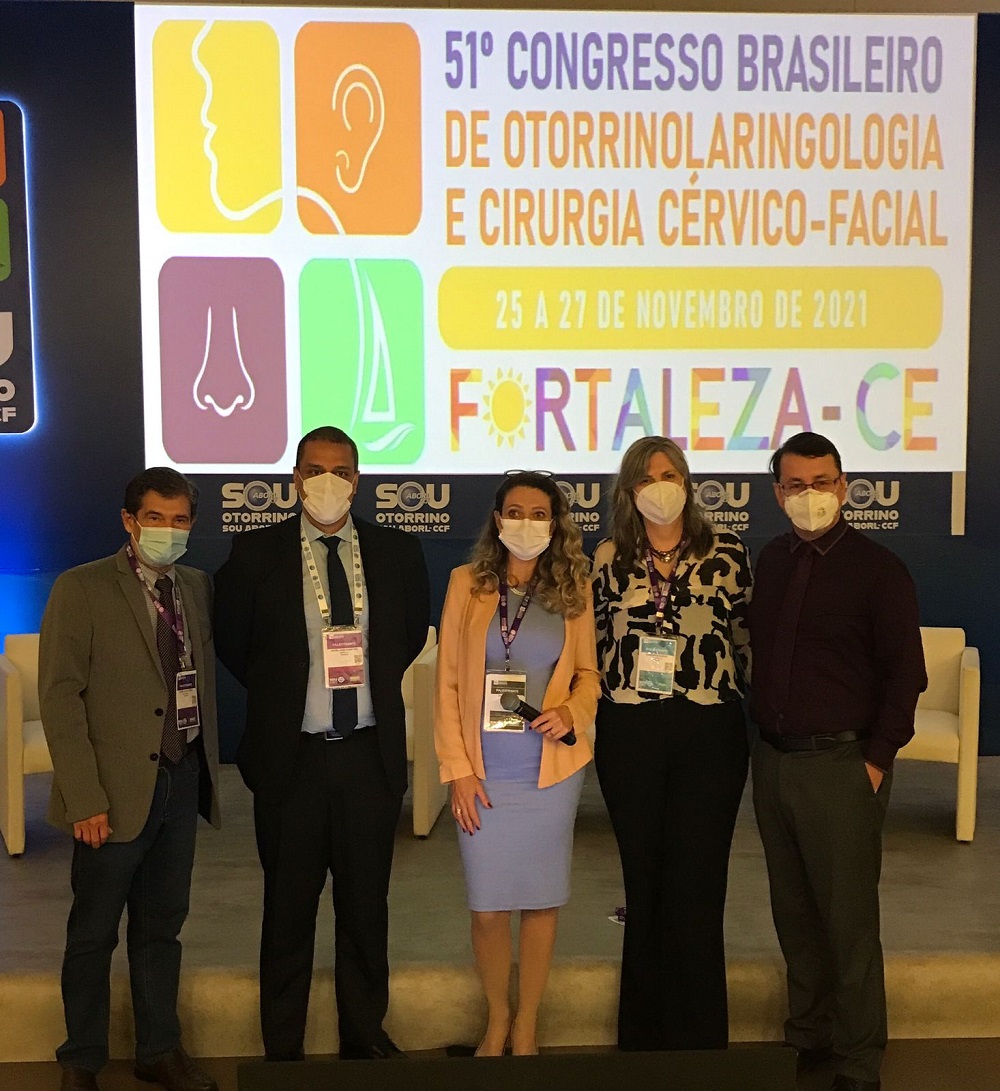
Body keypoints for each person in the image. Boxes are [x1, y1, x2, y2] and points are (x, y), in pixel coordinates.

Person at [214, 425, 429, 1062]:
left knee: (366, 908)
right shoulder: (254, 552)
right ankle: (282, 1046)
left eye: (340, 471)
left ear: (357, 481)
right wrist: (286, 693)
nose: (327, 482)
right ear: (295, 479)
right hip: (293, 759)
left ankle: (364, 1035)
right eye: (314, 470)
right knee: (287, 909)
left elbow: (408, 636)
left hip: (367, 755)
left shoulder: (396, 551)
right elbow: (236, 644)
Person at [749, 431, 926, 1091]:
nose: (811, 495)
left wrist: (874, 763)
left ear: (844, 486)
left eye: (822, 482)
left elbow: (905, 675)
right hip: (774, 762)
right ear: (778, 493)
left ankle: (857, 1057)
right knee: (795, 915)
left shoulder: (879, 569)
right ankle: (810, 1034)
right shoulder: (770, 560)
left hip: (842, 764)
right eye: (796, 484)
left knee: (848, 922)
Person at [38, 468, 221, 1091]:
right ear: (129, 521)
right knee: (92, 934)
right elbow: (60, 698)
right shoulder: (81, 587)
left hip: (179, 778)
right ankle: (81, 1060)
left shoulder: (195, 586)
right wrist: (84, 797)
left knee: (162, 928)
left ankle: (158, 1049)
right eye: (155, 519)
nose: (168, 531)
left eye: (179, 520)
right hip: (109, 795)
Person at [591, 436, 751, 1052]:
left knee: (699, 882)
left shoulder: (727, 552)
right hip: (630, 731)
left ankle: (700, 1041)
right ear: (629, 490)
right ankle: (642, 1039)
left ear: (687, 481)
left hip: (709, 730)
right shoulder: (608, 557)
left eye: (670, 474)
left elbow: (746, 638)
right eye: (646, 477)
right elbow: (592, 645)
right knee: (645, 881)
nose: (660, 486)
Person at [434, 471, 599, 1057]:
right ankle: (497, 1020)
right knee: (487, 907)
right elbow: (448, 682)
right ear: (497, 519)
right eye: (515, 512)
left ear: (555, 524)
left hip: (548, 772)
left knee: (540, 900)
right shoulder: (466, 583)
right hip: (482, 772)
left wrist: (572, 712)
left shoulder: (574, 586)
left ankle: (526, 1024)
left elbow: (589, 674)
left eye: (538, 514)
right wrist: (457, 770)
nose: (526, 523)